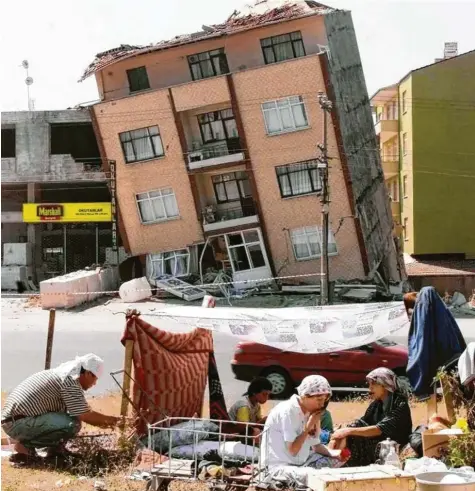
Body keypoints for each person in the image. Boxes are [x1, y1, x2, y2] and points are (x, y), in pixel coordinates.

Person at [1, 353, 124, 463]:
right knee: (72, 424)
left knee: (66, 416)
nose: (95, 384)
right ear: (87, 373)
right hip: (17, 423)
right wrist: (117, 422)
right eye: (95, 379)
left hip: (14, 420)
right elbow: (85, 415)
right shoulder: (70, 381)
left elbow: (79, 409)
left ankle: (54, 450)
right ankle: (25, 447)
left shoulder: (64, 374)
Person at [261, 374, 346, 487]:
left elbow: (316, 446)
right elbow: (293, 450)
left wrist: (335, 454)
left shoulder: (310, 412)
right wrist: (307, 429)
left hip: (301, 464)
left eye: (324, 400)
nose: (322, 404)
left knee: (338, 462)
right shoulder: (287, 411)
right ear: (305, 396)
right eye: (319, 399)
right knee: (318, 476)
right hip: (278, 468)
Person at [330, 367, 413, 466]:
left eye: (373, 384)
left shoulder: (400, 404)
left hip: (393, 447)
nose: (370, 388)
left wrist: (348, 431)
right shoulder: (376, 404)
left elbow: (378, 429)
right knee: (350, 429)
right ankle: (333, 458)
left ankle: (333, 460)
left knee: (349, 431)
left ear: (384, 385)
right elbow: (363, 423)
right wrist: (344, 429)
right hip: (377, 442)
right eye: (369, 384)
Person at [228, 377, 272, 442]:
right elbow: (243, 427)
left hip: (245, 432)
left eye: (268, 395)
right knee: (257, 432)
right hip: (233, 434)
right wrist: (263, 421)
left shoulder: (257, 405)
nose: (267, 397)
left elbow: (258, 422)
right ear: (254, 392)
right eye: (264, 394)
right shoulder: (243, 405)